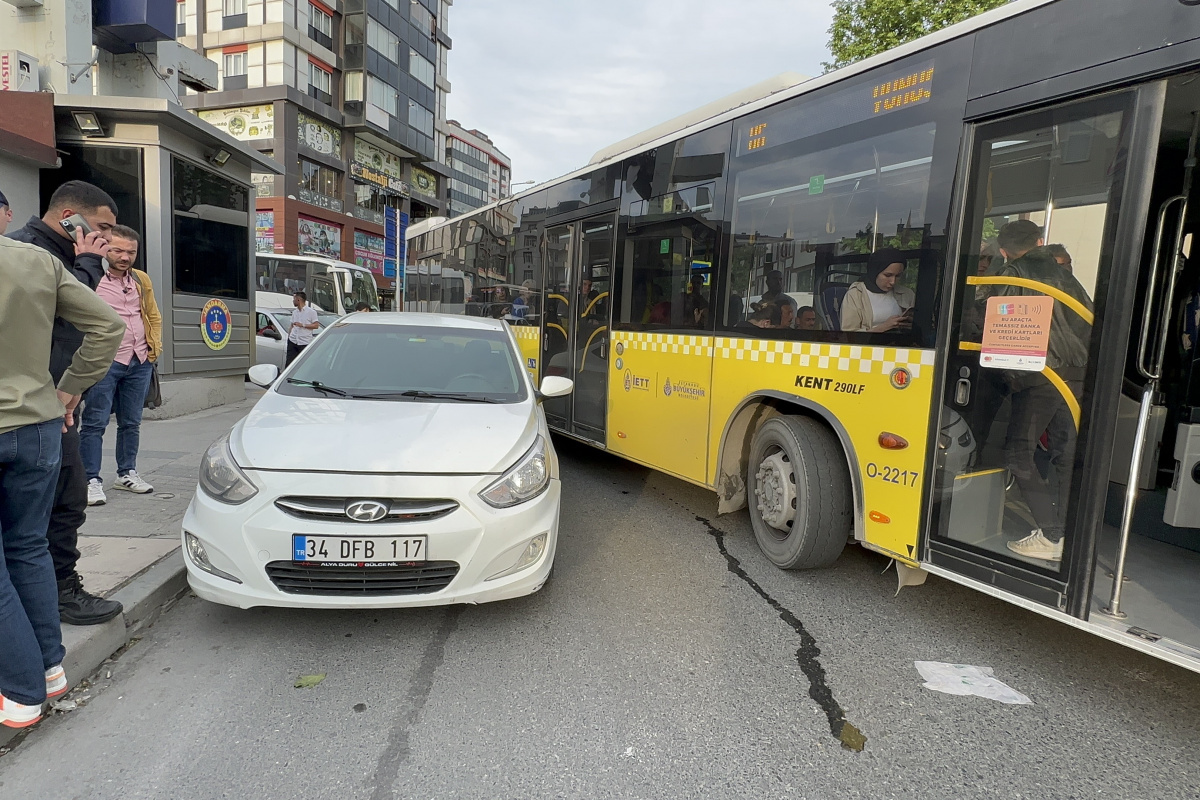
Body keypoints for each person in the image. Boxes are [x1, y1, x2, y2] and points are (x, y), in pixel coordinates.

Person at [0, 235, 123, 727]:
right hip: (36, 424)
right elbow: (107, 326)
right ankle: (50, 667)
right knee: (28, 546)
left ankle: (21, 692)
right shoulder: (35, 260)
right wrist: (70, 390)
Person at [8, 180, 124, 625]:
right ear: (69, 217)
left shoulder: (63, 255)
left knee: (67, 499)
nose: (108, 239)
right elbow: (72, 314)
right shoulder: (27, 252)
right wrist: (90, 263)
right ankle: (50, 597)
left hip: (59, 400)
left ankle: (56, 590)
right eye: (102, 226)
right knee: (45, 507)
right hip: (34, 405)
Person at [985, 220, 1093, 562]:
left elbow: (997, 334)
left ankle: (1049, 534)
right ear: (1041, 241)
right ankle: (1063, 530)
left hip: (1039, 374)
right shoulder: (1067, 278)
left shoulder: (1012, 276)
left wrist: (1010, 380)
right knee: (1065, 453)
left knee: (1019, 452)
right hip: (1074, 373)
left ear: (1003, 251)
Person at [79, 226, 162, 505]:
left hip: (139, 360)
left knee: (131, 422)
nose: (125, 257)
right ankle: (90, 479)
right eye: (117, 250)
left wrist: (154, 350)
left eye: (131, 252)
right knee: (94, 422)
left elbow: (152, 314)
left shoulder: (140, 279)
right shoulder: (92, 278)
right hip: (104, 359)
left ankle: (126, 473)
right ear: (105, 248)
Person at [840, 248, 915, 333]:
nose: (893, 282)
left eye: (898, 276)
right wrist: (883, 328)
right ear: (875, 272)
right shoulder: (856, 295)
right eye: (888, 275)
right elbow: (848, 335)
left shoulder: (907, 294)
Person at [286, 291, 319, 366]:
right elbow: (292, 325)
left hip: (304, 342)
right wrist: (289, 337)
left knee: (302, 365)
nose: (293, 301)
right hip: (293, 341)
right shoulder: (295, 312)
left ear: (298, 300)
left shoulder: (311, 312)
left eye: (294, 299)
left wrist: (303, 325)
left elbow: (316, 325)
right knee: (289, 364)